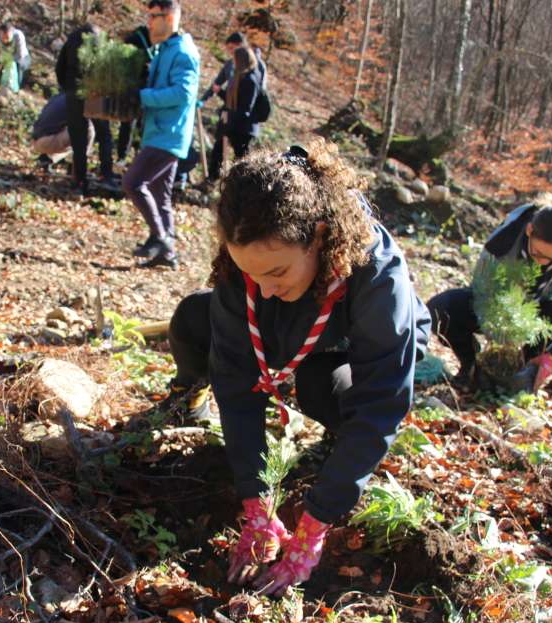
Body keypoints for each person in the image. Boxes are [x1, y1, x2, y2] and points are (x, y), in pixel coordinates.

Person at [163, 140, 431, 594]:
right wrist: (255, 500)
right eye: (251, 273)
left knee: (326, 389)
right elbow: (234, 381)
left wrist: (317, 521)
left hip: (344, 346)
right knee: (194, 315)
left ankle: (338, 451)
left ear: (319, 237)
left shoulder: (377, 273)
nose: (263, 288)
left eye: (275, 273)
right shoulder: (252, 268)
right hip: (293, 320)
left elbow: (379, 402)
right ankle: (188, 397)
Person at [426, 193, 552, 391]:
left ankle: (530, 367)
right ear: (529, 230)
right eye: (538, 253)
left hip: (538, 312)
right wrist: (500, 339)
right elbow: (483, 292)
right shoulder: (504, 239)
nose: (542, 263)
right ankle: (471, 365)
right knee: (440, 308)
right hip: (497, 305)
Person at [124, 0, 200, 269]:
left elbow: (183, 93)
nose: (148, 23)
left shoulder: (183, 52)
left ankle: (161, 238)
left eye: (153, 17)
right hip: (159, 130)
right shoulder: (166, 49)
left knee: (133, 183)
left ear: (169, 18)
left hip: (168, 134)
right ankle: (168, 256)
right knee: (159, 193)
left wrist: (143, 96)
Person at [56, 23, 115, 195]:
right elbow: (110, 70)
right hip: (96, 91)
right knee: (104, 135)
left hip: (74, 92)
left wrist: (68, 88)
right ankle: (106, 175)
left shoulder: (73, 38)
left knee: (78, 140)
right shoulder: (102, 41)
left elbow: (59, 67)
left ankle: (79, 181)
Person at [200, 32, 266, 182]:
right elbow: (229, 94)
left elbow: (246, 105)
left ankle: (240, 185)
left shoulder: (252, 76)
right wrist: (213, 95)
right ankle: (213, 179)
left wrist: (231, 119)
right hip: (230, 119)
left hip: (242, 125)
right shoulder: (234, 70)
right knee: (218, 149)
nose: (230, 55)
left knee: (241, 158)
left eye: (232, 49)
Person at [116, 24, 153, 163]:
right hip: (144, 88)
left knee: (127, 124)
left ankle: (122, 156)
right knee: (141, 124)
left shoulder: (130, 42)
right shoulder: (148, 44)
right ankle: (138, 154)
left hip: (128, 88)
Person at [31, 92, 92, 167]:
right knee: (88, 129)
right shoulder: (77, 101)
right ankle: (77, 165)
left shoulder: (59, 96)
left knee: (77, 126)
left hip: (36, 141)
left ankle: (48, 158)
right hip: (47, 142)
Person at [222, 45, 262, 161]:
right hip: (238, 125)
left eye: (235, 59)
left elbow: (245, 108)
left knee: (241, 159)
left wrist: (231, 121)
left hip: (245, 128)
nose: (233, 61)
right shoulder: (240, 77)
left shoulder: (250, 80)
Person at [0, 20, 30, 91]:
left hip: (21, 58)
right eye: (3, 37)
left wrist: (9, 60)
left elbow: (20, 54)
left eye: (7, 37)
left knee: (18, 66)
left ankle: (17, 88)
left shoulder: (18, 36)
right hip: (3, 59)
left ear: (12, 33)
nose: (5, 40)